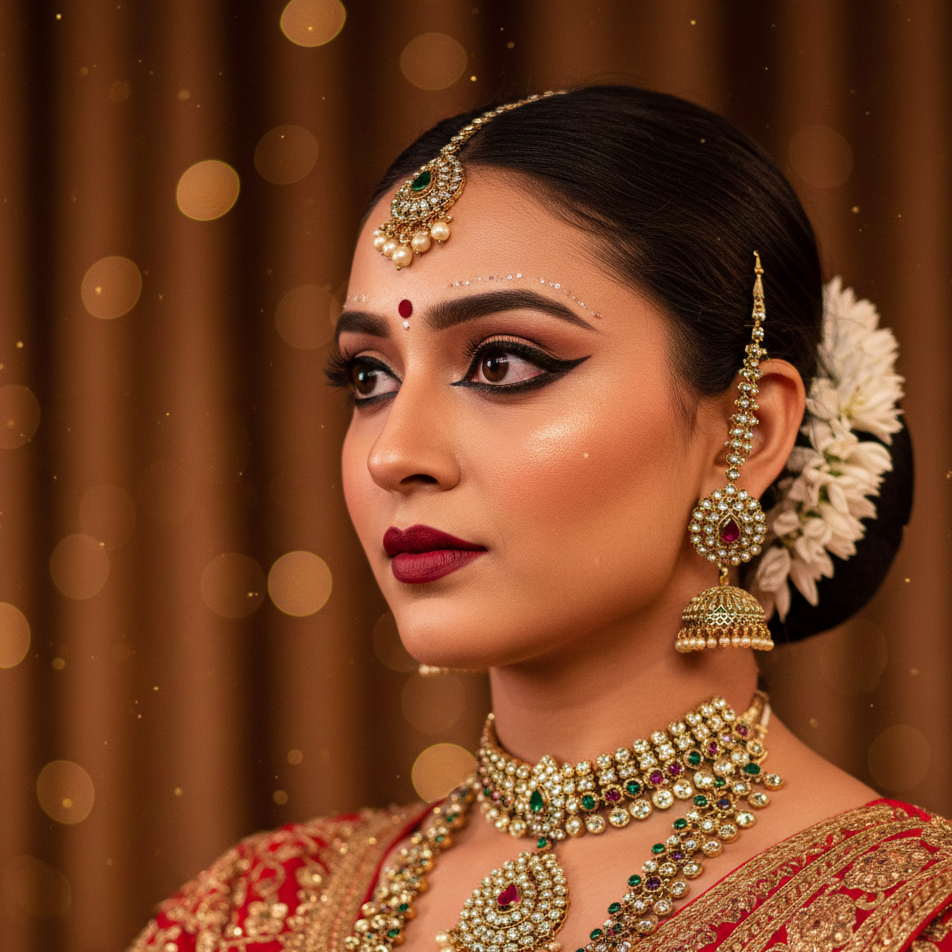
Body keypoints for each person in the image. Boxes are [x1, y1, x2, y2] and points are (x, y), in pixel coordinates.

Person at [128, 85, 950, 952]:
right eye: (369, 377)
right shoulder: (245, 915)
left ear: (748, 433)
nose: (392, 454)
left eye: (502, 362)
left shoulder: (916, 921)